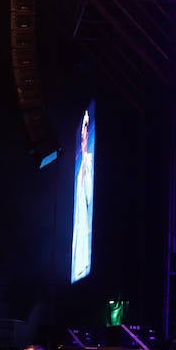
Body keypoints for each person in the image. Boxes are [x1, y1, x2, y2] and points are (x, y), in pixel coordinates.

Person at [72, 109, 95, 282]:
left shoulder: (89, 160)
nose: (83, 140)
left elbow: (89, 193)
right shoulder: (81, 164)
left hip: (85, 220)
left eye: (85, 135)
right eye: (81, 137)